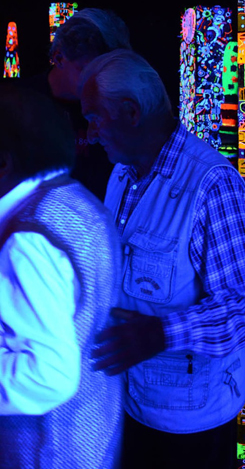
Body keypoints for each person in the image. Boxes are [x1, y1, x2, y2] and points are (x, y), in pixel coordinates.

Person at [80, 50, 245, 469]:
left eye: (95, 118)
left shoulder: (211, 184)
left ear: (131, 112)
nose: (91, 134)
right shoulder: (122, 174)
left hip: (191, 428)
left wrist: (162, 333)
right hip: (132, 405)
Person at [0, 86, 123, 469]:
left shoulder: (26, 240)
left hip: (45, 450)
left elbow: (49, 374)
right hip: (91, 429)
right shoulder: (76, 199)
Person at [21, 7, 132, 200]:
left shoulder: (118, 103)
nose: (101, 81)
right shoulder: (18, 105)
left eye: (109, 70)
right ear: (58, 58)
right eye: (88, 70)